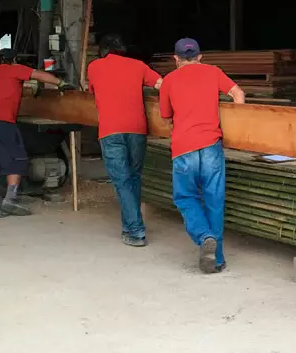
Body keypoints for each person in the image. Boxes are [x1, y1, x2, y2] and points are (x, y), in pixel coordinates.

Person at [158, 38, 244, 273]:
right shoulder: (213, 72)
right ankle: (216, 260)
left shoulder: (169, 81)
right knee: (214, 199)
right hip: (211, 146)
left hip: (184, 147)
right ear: (200, 56)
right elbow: (238, 94)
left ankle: (203, 235)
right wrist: (238, 124)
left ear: (175, 59)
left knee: (185, 197)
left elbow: (165, 117)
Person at [87, 35, 164, 247]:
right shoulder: (138, 66)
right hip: (137, 129)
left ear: (103, 51)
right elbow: (162, 84)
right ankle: (128, 226)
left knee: (121, 180)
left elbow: (91, 91)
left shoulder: (94, 67)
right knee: (133, 178)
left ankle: (137, 231)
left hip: (111, 130)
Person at [0, 49, 65, 218]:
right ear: (14, 60)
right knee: (17, 159)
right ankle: (11, 199)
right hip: (2, 123)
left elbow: (7, 92)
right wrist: (61, 84)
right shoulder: (14, 69)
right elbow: (39, 75)